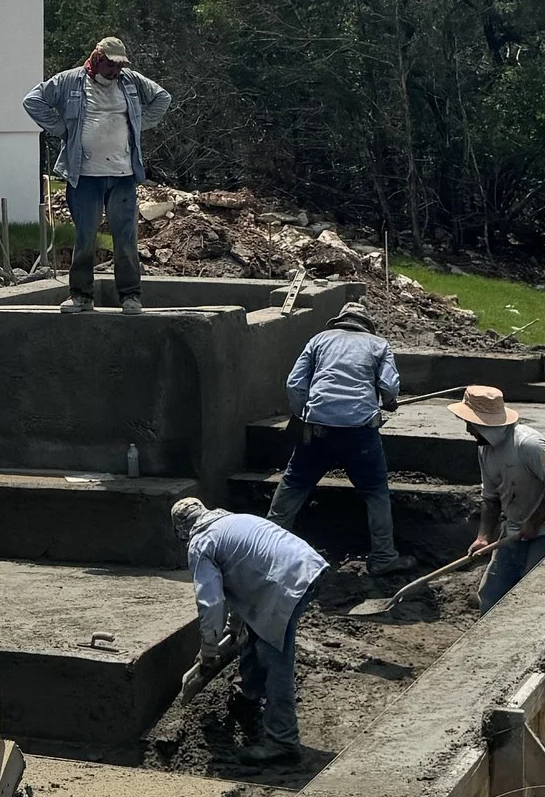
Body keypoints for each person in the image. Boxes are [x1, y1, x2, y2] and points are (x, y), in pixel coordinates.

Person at [170, 493, 325, 760]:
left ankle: (283, 741)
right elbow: (241, 578)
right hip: (308, 567)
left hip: (283, 585)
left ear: (181, 531)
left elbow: (211, 600)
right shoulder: (234, 521)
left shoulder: (201, 543)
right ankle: (248, 696)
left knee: (275, 659)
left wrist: (208, 648)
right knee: (258, 636)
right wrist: (234, 625)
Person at [23, 36, 173, 310]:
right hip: (85, 177)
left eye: (119, 66)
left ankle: (130, 296)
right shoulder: (69, 81)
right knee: (85, 237)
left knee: (125, 238)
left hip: (123, 175)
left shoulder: (130, 80)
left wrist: (139, 124)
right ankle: (81, 295)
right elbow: (33, 100)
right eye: (111, 65)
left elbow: (162, 97)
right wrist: (61, 129)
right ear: (96, 59)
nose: (116, 71)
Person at [269, 307, 410, 576]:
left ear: (339, 322)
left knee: (294, 484)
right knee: (375, 491)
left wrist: (305, 415)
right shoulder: (378, 345)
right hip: (360, 432)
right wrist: (389, 402)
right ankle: (383, 556)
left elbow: (294, 384)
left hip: (318, 428)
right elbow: (389, 388)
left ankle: (265, 550)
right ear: (366, 326)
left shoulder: (319, 340)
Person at [457, 383, 545, 608]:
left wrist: (534, 522)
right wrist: (483, 537)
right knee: (490, 598)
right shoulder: (485, 449)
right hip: (513, 529)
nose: (468, 430)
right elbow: (491, 497)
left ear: (483, 423)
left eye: (470, 424)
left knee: (531, 597)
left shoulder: (528, 445)